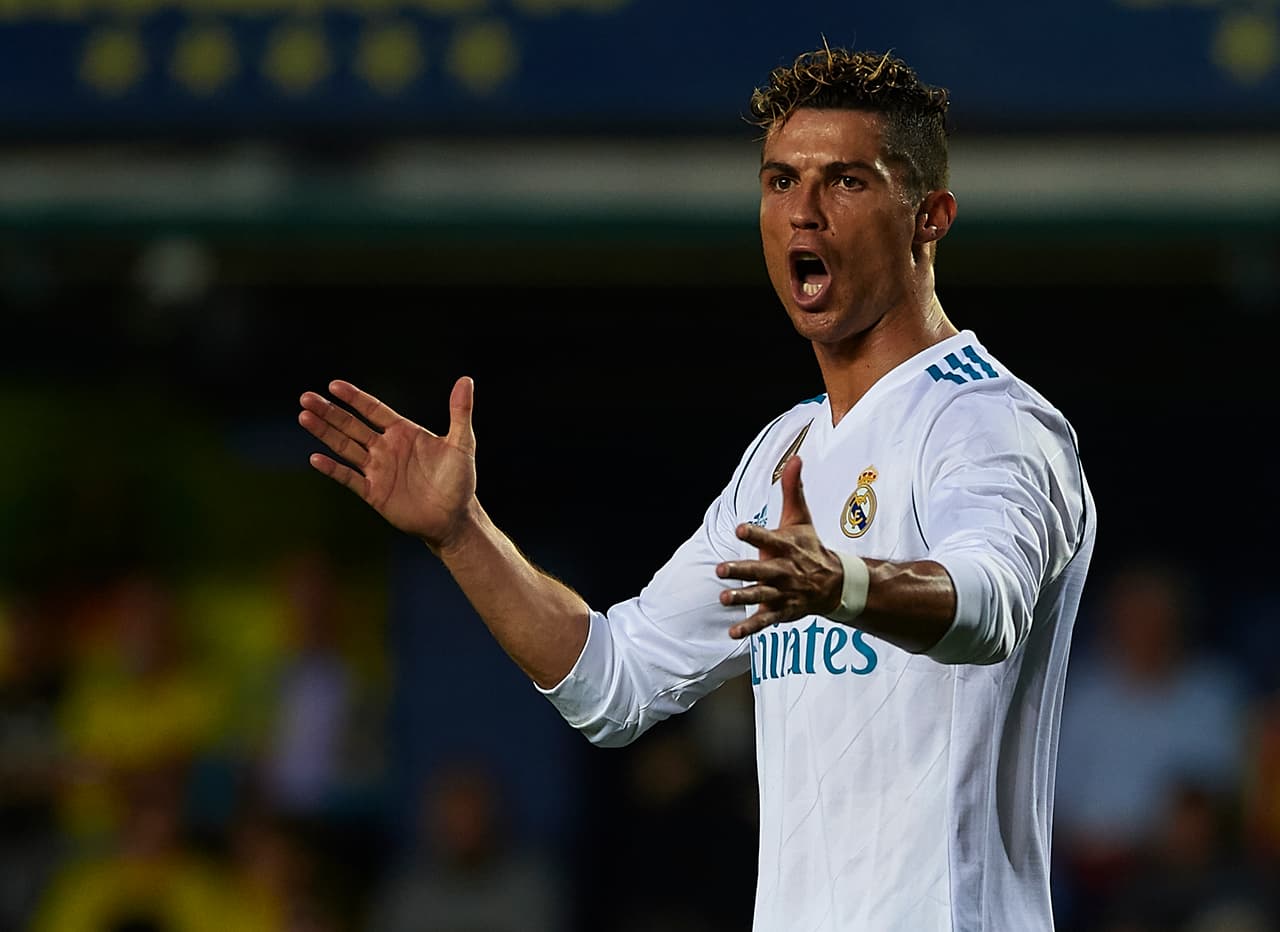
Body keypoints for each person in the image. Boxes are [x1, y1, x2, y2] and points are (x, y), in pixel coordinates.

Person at [298, 45, 1096, 931]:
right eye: (780, 181)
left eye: (846, 183)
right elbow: (615, 682)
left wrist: (846, 584)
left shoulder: (989, 421)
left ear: (930, 217)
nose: (804, 213)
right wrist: (461, 535)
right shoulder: (783, 452)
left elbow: (992, 608)